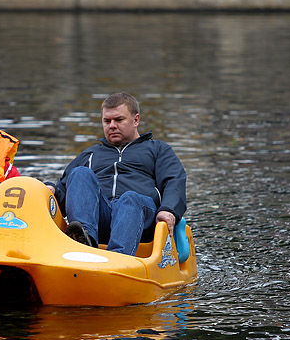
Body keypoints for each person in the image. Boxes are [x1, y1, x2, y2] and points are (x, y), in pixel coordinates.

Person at [46, 92, 187, 256]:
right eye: (107, 121)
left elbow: (174, 182)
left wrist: (168, 210)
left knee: (130, 199)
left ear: (136, 120)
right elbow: (64, 192)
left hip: (140, 218)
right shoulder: (91, 154)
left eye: (118, 120)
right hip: (99, 220)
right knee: (79, 173)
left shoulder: (158, 150)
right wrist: (51, 190)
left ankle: (119, 259)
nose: (111, 125)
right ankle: (83, 243)